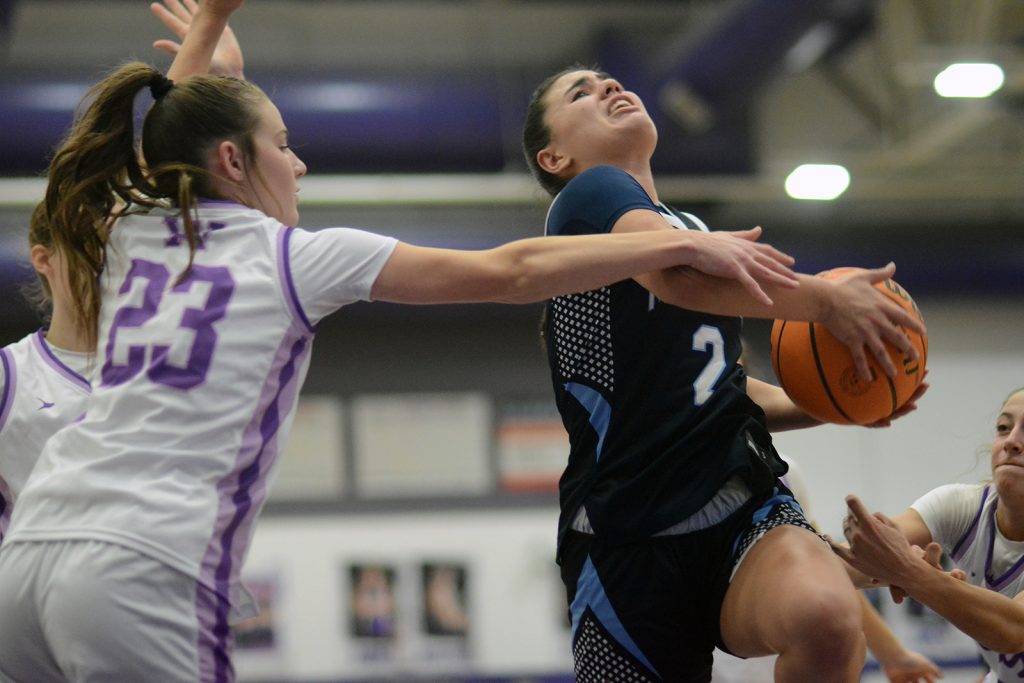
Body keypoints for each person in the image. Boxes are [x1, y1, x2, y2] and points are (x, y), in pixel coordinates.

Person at [0, 2, 805, 681]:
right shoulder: (298, 258)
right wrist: (673, 243)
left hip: (28, 553)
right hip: (141, 561)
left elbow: (167, 148)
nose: (301, 163)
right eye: (284, 145)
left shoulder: (135, 226)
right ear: (234, 160)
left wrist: (210, 47)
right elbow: (516, 268)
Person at [521, 65, 928, 682]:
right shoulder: (586, 199)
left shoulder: (694, 230)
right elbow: (675, 277)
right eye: (580, 92)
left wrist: (843, 403)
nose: (606, 87)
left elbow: (727, 391)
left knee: (826, 617)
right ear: (555, 157)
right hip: (627, 535)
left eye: (608, 80)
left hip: (741, 504)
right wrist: (824, 301)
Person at [834, 387, 1024, 683]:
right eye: (1003, 428)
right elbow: (847, 563)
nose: (1011, 442)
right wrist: (877, 552)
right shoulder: (962, 507)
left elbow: (1014, 630)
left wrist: (913, 574)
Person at [712, 454, 944, 683]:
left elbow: (825, 578)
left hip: (778, 660)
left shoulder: (779, 469)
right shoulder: (680, 472)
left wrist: (893, 655)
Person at [0, 203, 93, 545]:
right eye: (87, 248)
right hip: (29, 590)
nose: (104, 265)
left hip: (133, 591)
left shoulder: (158, 369)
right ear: (44, 259)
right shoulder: (10, 375)